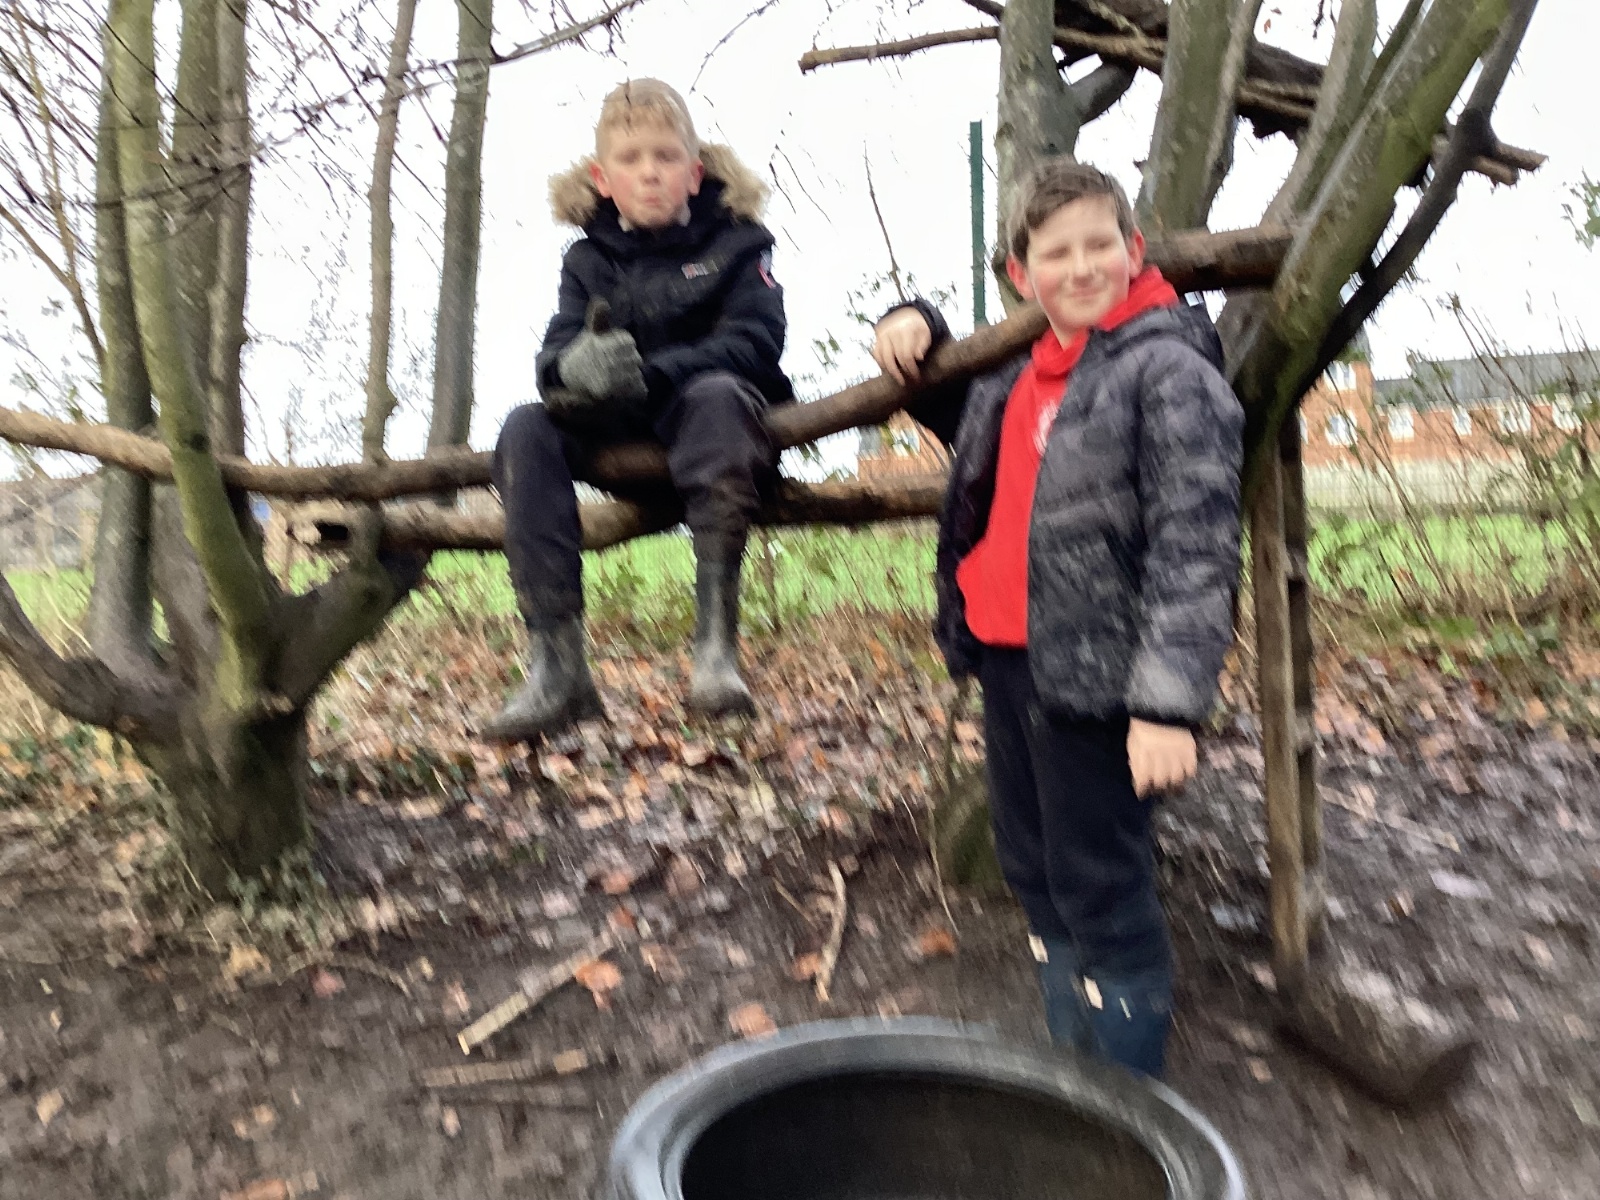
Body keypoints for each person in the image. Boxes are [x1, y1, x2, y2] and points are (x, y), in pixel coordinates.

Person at [871, 159, 1243, 1076]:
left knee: (1099, 881)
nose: (1080, 268)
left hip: (1101, 680)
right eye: (1055, 253)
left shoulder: (1167, 370)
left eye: (1097, 245)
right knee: (1032, 867)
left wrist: (1167, 705)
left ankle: (1127, 1109)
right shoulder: (1018, 376)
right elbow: (950, 403)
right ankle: (1071, 1074)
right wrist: (915, 322)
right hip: (1009, 665)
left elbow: (1196, 546)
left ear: (1134, 249)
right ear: (1021, 273)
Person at [483, 79, 789, 742]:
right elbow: (556, 350)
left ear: (694, 171)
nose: (649, 171)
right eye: (630, 158)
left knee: (717, 397)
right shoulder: (587, 260)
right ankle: (558, 670)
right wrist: (573, 368)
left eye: (665, 156)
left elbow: (757, 342)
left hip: (717, 434)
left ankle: (716, 651)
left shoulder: (741, 245)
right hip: (620, 434)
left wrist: (650, 376)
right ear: (603, 177)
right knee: (525, 428)